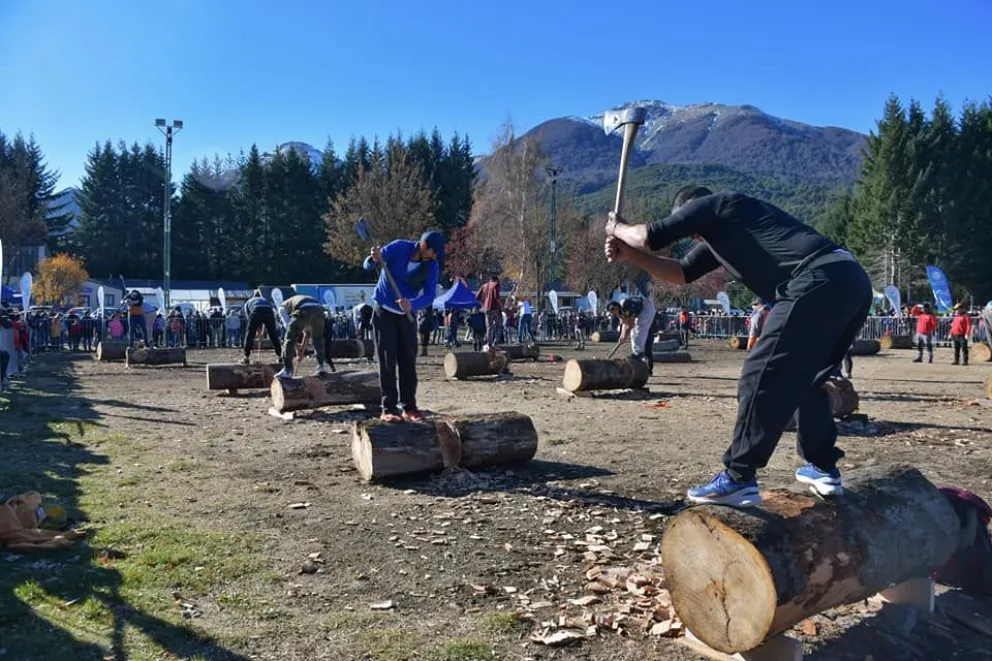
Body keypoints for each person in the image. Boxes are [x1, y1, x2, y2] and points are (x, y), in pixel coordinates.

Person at [605, 185, 871, 507]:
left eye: (688, 226)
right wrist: (632, 256)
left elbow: (650, 235)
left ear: (693, 209)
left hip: (815, 279)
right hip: (850, 280)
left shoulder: (721, 205)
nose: (692, 237)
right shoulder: (721, 237)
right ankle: (823, 468)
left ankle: (738, 477)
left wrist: (616, 228)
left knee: (758, 374)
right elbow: (681, 273)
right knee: (808, 380)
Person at [363, 230, 446, 423]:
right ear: (424, 246)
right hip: (384, 312)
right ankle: (389, 408)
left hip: (407, 316)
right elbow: (368, 264)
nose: (435, 256)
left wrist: (413, 305)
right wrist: (373, 258)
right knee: (387, 360)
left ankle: (409, 407)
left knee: (408, 361)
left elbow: (429, 295)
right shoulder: (399, 247)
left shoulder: (431, 266)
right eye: (434, 251)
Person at [274, 294, 331, 378]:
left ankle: (287, 370)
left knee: (289, 339)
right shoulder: (297, 301)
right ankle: (321, 367)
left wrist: (297, 350)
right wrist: (301, 351)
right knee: (318, 339)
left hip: (304, 309)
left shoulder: (282, 307)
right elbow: (307, 334)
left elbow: (289, 331)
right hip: (319, 310)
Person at [606, 296, 656, 373]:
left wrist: (625, 336)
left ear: (616, 308)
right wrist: (622, 337)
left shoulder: (626, 306)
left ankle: (638, 353)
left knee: (640, 329)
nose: (613, 314)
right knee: (633, 333)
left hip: (647, 308)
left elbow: (631, 324)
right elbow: (624, 323)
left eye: (613, 311)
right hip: (640, 311)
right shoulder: (619, 312)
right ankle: (636, 351)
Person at [240, 289, 282, 365]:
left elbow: (249, 317)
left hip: (256, 311)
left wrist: (256, 331)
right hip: (269, 312)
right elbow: (271, 310)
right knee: (273, 334)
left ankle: (246, 357)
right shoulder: (265, 300)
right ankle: (280, 357)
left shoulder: (249, 302)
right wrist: (261, 331)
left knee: (250, 334)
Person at [476, 275, 502, 348]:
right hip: (495, 308)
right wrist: (501, 306)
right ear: (496, 280)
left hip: (487, 309)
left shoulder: (484, 285)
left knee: (489, 326)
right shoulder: (496, 285)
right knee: (499, 325)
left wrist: (483, 304)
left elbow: (477, 297)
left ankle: (489, 344)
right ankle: (495, 342)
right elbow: (497, 297)